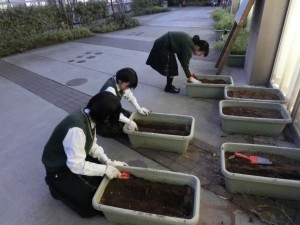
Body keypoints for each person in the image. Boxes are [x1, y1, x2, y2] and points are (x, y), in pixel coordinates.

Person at [42, 92, 128, 218]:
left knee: (102, 178)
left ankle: (61, 187)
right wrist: (105, 169)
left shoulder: (89, 115)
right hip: (59, 167)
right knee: (90, 204)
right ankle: (54, 186)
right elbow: (76, 166)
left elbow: (92, 145)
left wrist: (107, 162)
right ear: (104, 116)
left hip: (73, 157)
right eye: (110, 118)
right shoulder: (77, 130)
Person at [97, 68, 150, 137]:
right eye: (127, 86)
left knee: (128, 115)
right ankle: (99, 128)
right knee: (121, 129)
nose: (128, 88)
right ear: (120, 81)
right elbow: (115, 114)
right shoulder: (110, 90)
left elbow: (130, 96)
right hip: (103, 115)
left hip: (112, 108)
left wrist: (139, 108)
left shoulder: (120, 82)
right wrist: (130, 122)